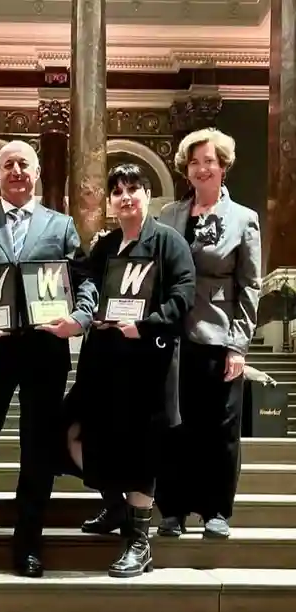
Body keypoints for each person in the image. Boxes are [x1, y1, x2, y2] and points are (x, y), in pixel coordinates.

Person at [0, 140, 97, 578]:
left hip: (45, 350)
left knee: (38, 452)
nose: (16, 171)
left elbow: (84, 280)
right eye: (8, 165)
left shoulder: (61, 225)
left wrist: (79, 318)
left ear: (38, 172)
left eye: (24, 164)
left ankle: (28, 546)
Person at [62, 163, 195, 577]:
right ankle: (115, 506)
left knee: (142, 451)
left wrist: (145, 325)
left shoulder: (169, 242)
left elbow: (183, 296)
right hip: (102, 362)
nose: (125, 197)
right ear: (110, 201)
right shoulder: (105, 246)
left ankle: (139, 542)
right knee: (74, 430)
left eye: (133, 189)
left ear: (147, 195)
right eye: (117, 191)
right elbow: (84, 284)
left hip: (147, 364)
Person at [155, 128, 262, 539]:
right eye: (195, 162)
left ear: (223, 167)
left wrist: (238, 345)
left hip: (219, 336)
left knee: (220, 428)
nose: (202, 168)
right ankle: (173, 510)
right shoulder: (169, 215)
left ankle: (216, 510)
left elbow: (250, 286)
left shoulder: (244, 219)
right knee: (174, 425)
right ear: (186, 169)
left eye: (209, 161)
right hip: (173, 335)